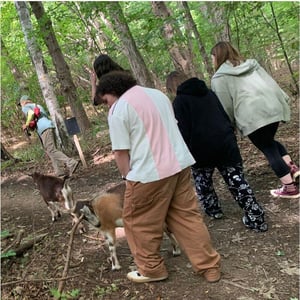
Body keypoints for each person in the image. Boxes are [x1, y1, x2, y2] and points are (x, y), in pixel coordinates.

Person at [95, 71, 221, 284]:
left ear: (112, 92)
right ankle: (209, 267)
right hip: (179, 165)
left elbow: (120, 152)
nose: (107, 105)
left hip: (148, 174)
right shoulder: (158, 95)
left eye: (105, 100)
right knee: (187, 217)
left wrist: (127, 177)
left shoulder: (119, 109)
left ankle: (152, 270)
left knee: (137, 223)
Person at [166, 71, 268, 232]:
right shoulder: (209, 93)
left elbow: (182, 130)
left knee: (203, 182)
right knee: (237, 181)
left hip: (200, 149)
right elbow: (223, 114)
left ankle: (213, 210)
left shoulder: (179, 102)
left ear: (172, 87)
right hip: (225, 142)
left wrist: (183, 151)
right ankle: (255, 216)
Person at [210, 41, 299, 199]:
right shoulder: (252, 65)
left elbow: (225, 105)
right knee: (270, 142)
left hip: (251, 116)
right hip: (272, 107)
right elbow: (270, 83)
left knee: (268, 148)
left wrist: (230, 124)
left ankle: (290, 188)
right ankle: (292, 169)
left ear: (217, 57)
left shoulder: (219, 77)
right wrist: (283, 100)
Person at [19, 95, 79, 177]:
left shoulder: (25, 107)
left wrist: (26, 125)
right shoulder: (37, 105)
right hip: (50, 126)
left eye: (20, 104)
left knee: (51, 150)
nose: (21, 106)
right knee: (52, 150)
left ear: (23, 102)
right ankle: (60, 173)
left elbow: (31, 113)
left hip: (44, 129)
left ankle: (71, 162)